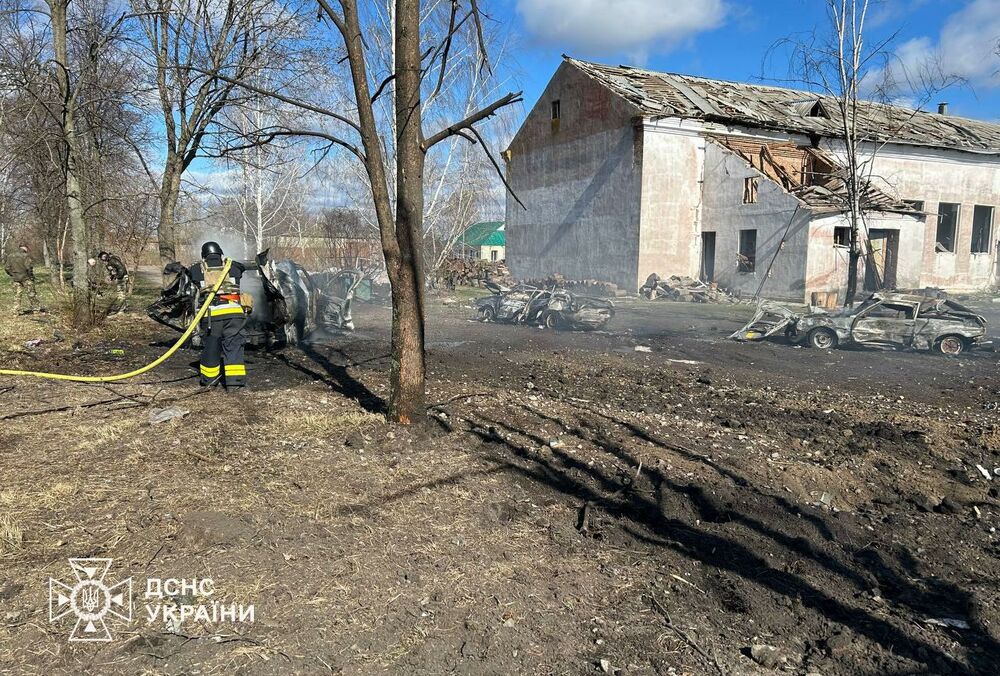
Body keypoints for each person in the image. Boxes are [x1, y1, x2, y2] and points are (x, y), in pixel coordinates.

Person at [189, 241, 248, 389]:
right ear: (221, 254)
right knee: (234, 348)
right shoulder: (234, 267)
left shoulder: (196, 269)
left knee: (211, 347)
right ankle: (235, 384)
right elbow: (243, 268)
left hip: (211, 316)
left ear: (203, 256)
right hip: (234, 314)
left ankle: (209, 381)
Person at [3, 245, 42, 314]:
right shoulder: (26, 256)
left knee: (17, 295)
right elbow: (29, 268)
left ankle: (15, 311)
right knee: (31, 294)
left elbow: (7, 268)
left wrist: (12, 274)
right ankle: (36, 310)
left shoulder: (10, 256)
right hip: (26, 278)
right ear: (25, 248)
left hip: (16, 278)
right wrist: (31, 276)